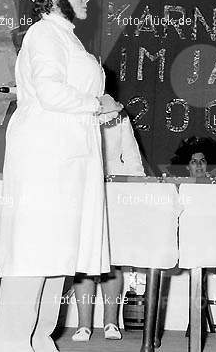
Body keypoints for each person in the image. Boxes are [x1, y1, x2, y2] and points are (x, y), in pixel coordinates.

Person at [0, 0, 122, 352]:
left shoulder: (68, 39)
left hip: (70, 156)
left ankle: (39, 339)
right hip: (45, 156)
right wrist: (97, 103)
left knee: (56, 253)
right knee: (33, 251)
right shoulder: (43, 33)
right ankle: (12, 343)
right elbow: (49, 92)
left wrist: (95, 108)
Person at [71, 111, 145, 342]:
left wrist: (136, 191)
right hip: (81, 186)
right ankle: (83, 326)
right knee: (83, 257)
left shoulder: (119, 116)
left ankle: (111, 322)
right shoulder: (73, 112)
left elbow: (132, 157)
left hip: (114, 189)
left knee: (111, 259)